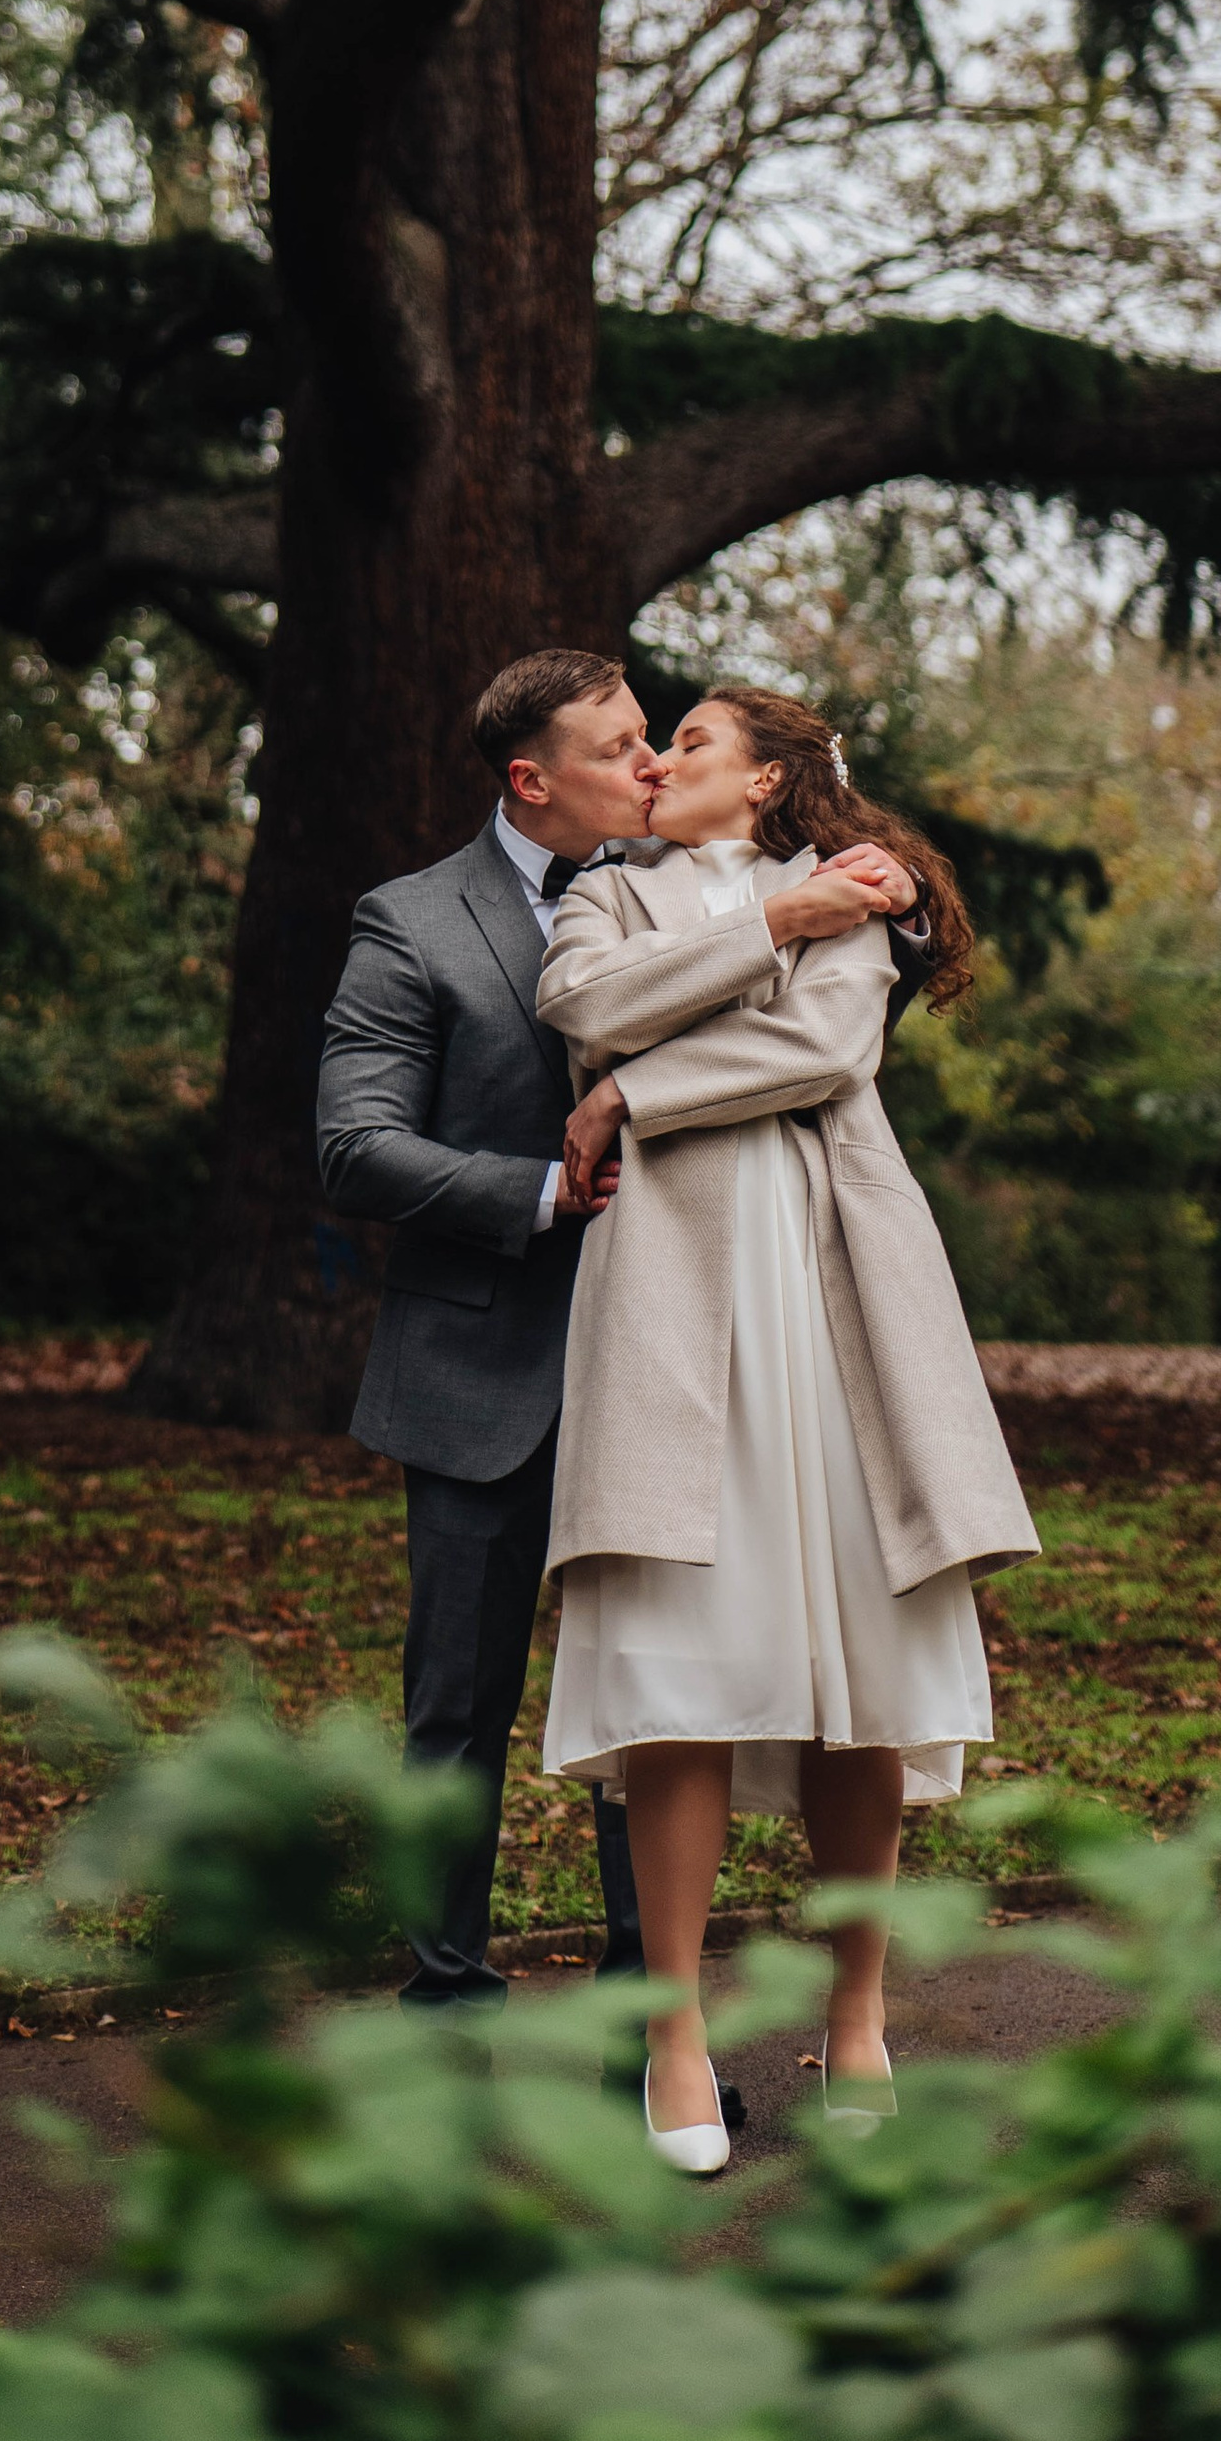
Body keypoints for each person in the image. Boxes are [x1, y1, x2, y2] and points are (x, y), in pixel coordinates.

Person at [536, 685, 1040, 2172]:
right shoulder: (598, 899)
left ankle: (864, 2017)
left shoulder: (858, 910)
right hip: (669, 1308)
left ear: (762, 783)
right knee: (674, 1663)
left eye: (685, 742)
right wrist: (769, 930)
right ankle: (675, 2033)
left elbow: (823, 1059)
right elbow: (583, 1007)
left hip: (835, 1308)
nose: (652, 760)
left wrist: (635, 1090)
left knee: (860, 1666)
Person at [313, 648, 668, 2009]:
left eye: (652, 739)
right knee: (457, 1713)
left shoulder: (690, 898)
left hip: (660, 1365)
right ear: (533, 780)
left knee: (652, 1710)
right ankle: (447, 1998)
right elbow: (355, 1150)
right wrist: (540, 1188)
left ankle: (649, 2024)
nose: (652, 765)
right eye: (621, 747)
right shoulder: (412, 923)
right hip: (476, 1370)